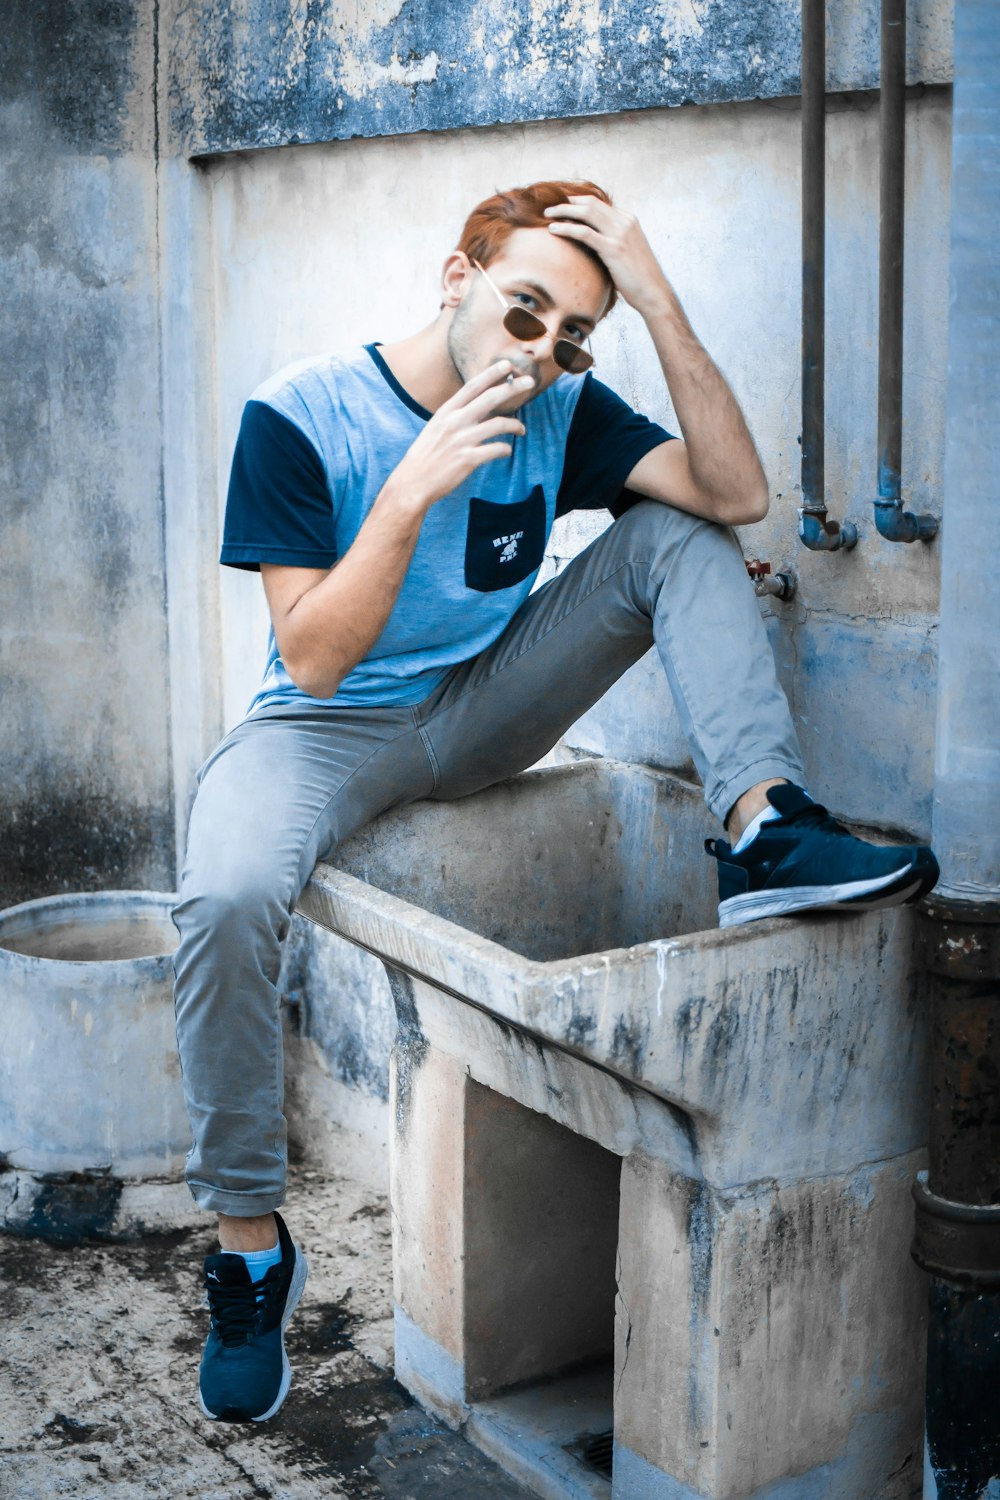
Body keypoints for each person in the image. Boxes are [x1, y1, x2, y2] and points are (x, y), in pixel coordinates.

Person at [173, 180, 938, 1424]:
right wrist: (415, 484)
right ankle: (249, 1244)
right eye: (524, 312)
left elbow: (736, 491)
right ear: (455, 277)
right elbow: (310, 656)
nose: (541, 354)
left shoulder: (564, 407)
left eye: (573, 332)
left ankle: (762, 825)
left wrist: (656, 299)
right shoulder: (299, 413)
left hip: (483, 709)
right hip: (323, 730)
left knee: (678, 533)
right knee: (223, 893)